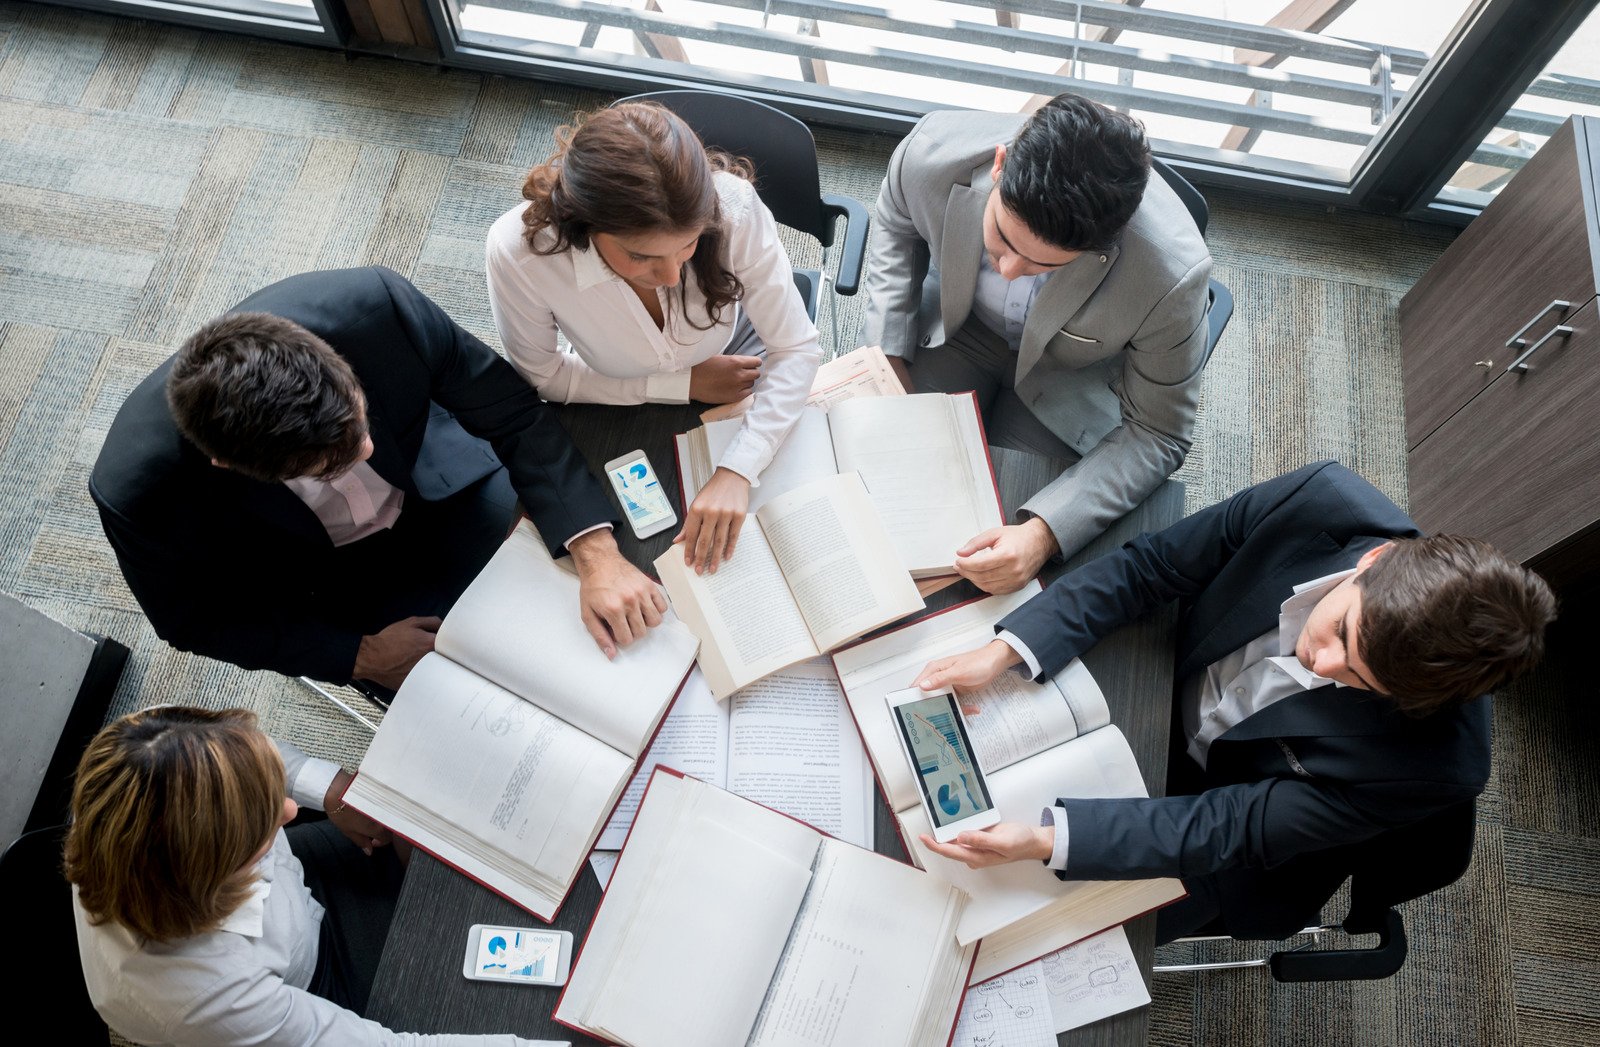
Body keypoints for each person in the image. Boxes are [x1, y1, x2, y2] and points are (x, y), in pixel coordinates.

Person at [909, 461, 1556, 941]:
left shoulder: (1435, 767)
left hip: (1226, 829)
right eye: (1340, 634)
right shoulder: (1324, 503)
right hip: (1166, 677)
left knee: (1009, 938)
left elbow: (1229, 825)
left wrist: (1047, 839)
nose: (1320, 663)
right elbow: (1152, 567)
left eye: (1360, 678)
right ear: (1374, 561)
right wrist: (1012, 649)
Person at [90, 267, 666, 689]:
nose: (364, 447)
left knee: (626, 594)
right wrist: (359, 656)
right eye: (333, 463)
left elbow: (510, 410)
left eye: (358, 418)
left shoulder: (374, 310)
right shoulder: (139, 495)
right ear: (232, 466)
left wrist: (594, 551)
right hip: (334, 584)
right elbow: (194, 621)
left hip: (443, 486)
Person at [859, 93, 1213, 592]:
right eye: (1002, 240)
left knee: (994, 555)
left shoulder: (1172, 275)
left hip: (1067, 383)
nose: (1007, 271)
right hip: (953, 333)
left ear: (1103, 247)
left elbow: (1160, 433)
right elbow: (896, 224)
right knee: (874, 489)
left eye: (1041, 265)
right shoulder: (930, 151)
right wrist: (888, 353)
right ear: (1000, 165)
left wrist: (1044, 535)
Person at [65, 705, 565, 1046]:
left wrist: (330, 795)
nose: (287, 810)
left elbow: (254, 756)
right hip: (306, 985)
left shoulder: (149, 761)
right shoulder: (211, 996)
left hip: (297, 897)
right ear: (214, 869)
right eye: (260, 825)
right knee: (499, 1003)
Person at [486, 101, 822, 575]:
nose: (669, 275)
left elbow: (795, 347)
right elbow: (544, 377)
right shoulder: (520, 253)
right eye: (642, 257)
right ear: (586, 225)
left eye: (688, 245)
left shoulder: (734, 209)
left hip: (734, 355)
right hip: (608, 398)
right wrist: (680, 385)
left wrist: (738, 469)